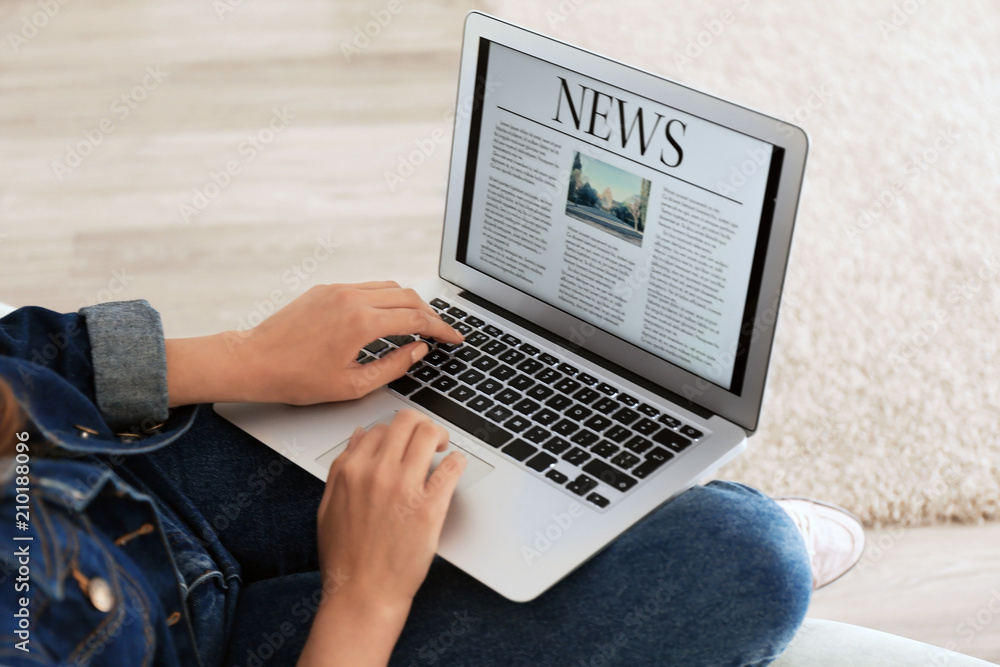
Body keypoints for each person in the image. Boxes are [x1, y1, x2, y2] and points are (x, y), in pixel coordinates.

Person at [0, 283, 864, 666]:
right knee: (745, 559)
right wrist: (364, 598)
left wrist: (244, 357)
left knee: (432, 380)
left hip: (106, 469)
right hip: (206, 645)